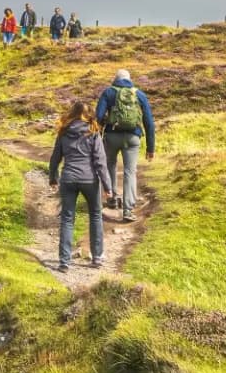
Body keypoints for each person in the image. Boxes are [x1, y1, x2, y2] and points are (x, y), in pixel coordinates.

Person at [47, 100, 114, 272]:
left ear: (72, 113)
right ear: (88, 114)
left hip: (68, 178)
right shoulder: (93, 132)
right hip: (89, 180)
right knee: (95, 216)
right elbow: (100, 162)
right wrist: (108, 187)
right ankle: (97, 257)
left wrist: (53, 178)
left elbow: (55, 157)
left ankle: (64, 262)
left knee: (67, 219)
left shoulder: (63, 132)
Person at [95, 69, 155, 221]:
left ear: (115, 79)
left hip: (111, 136)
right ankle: (128, 210)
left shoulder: (108, 92)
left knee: (109, 165)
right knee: (130, 172)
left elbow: (99, 116)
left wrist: (96, 137)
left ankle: (112, 198)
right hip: (133, 137)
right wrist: (150, 148)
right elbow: (149, 122)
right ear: (130, 79)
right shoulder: (139, 94)